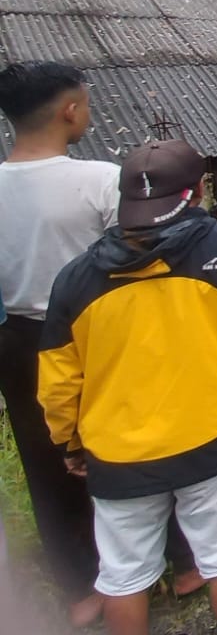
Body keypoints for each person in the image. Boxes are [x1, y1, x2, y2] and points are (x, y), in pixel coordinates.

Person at [37, 140, 217, 635]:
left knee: (122, 575)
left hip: (118, 453)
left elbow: (57, 380)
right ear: (200, 190)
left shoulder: (75, 279)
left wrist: (68, 440)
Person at [0, 62, 114, 627]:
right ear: (71, 109)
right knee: (135, 441)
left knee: (45, 461)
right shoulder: (99, 179)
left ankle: (80, 589)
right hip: (98, 332)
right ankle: (178, 560)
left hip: (19, 340)